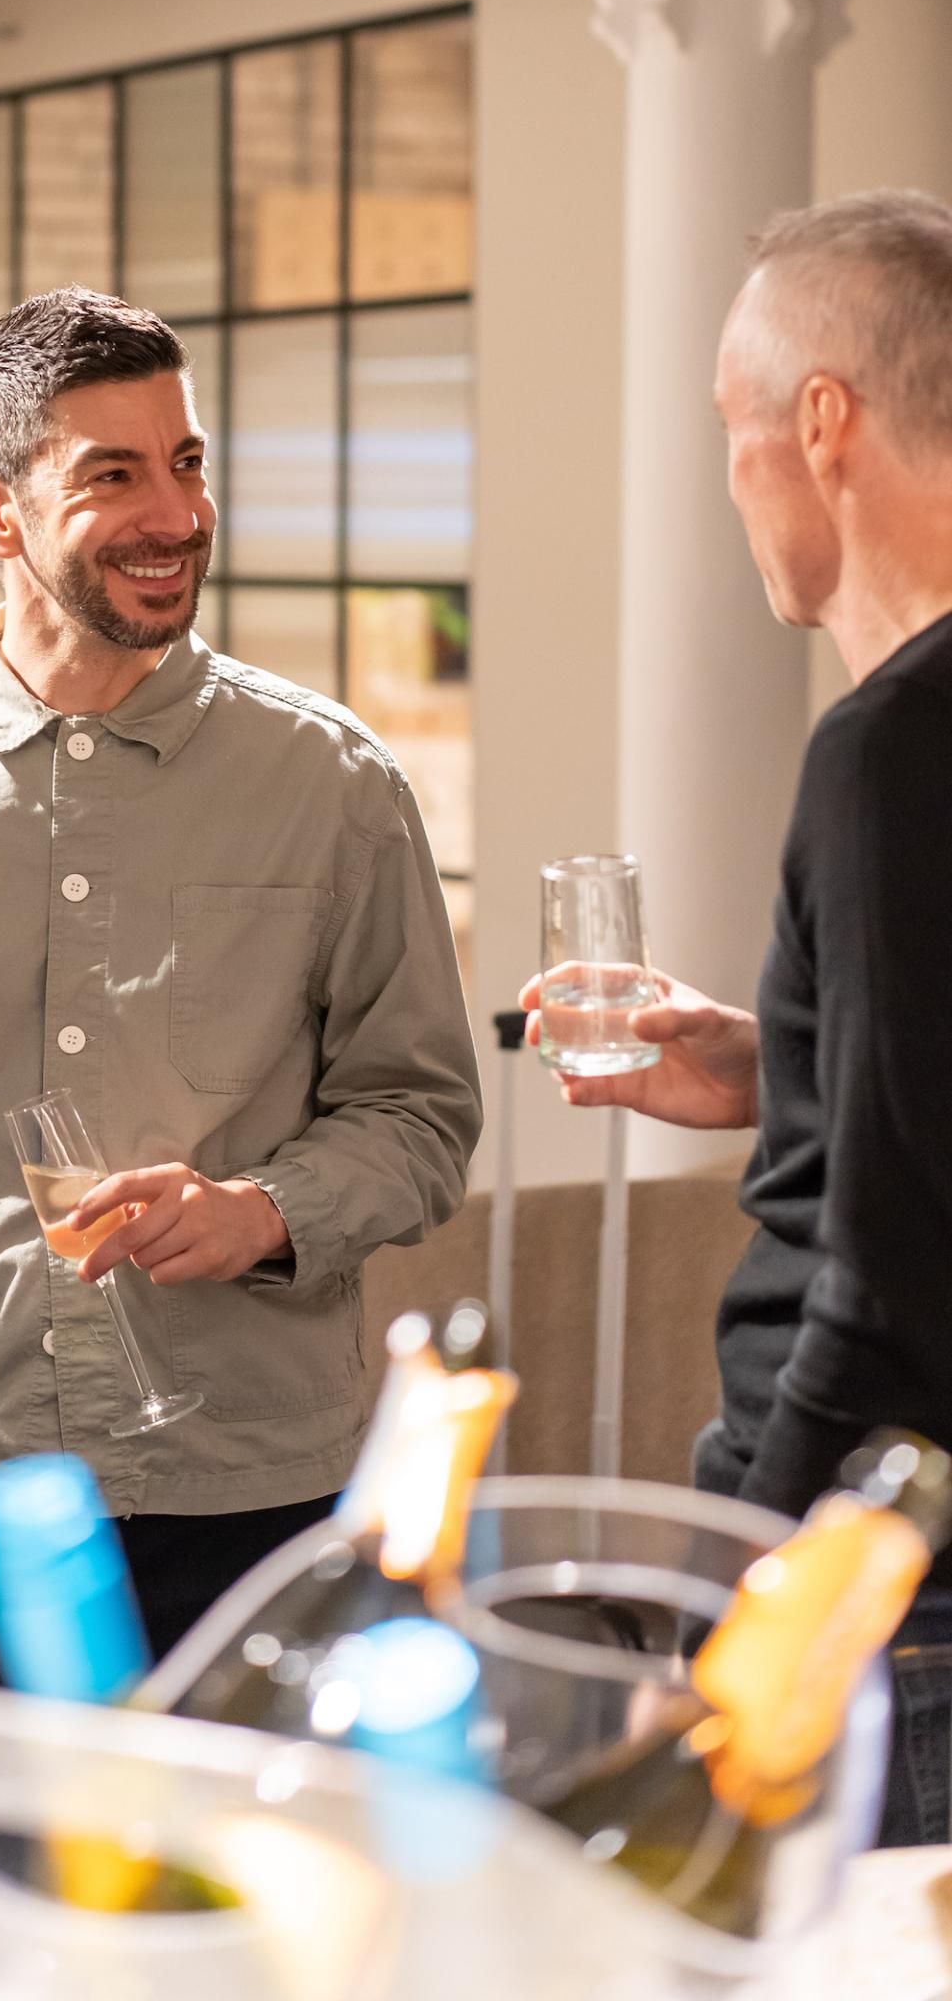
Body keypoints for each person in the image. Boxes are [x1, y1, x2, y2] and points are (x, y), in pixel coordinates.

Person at [0, 287, 481, 1987]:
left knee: (231, 1970)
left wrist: (266, 1211)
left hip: (241, 1508)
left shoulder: (335, 788)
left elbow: (426, 1116)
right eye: (114, 474)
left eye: (189, 464)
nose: (177, 516)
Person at [527, 190, 952, 1846]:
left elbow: (897, 1265)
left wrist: (749, 1586)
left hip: (884, 1582)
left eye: (732, 429)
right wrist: (791, 1074)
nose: (731, 480)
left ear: (823, 423)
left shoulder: (890, 749)